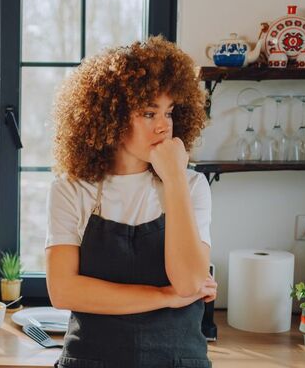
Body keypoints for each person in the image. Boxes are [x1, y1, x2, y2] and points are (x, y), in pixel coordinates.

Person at [46, 36, 218, 368]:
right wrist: (165, 296)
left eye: (169, 112)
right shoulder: (72, 189)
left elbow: (189, 283)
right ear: (110, 118)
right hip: (91, 361)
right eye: (149, 113)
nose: (164, 126)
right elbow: (64, 291)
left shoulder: (192, 185)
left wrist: (175, 178)